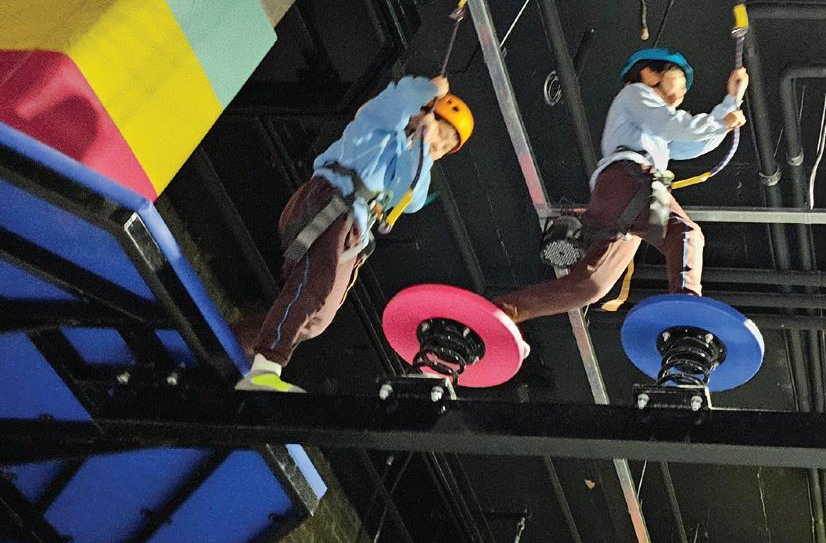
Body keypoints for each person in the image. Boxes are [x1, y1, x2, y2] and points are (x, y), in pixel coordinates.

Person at [238, 75, 472, 392]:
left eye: (446, 147)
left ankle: (237, 341)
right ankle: (266, 367)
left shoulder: (408, 157)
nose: (439, 147)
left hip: (351, 231)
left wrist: (422, 145)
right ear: (424, 113)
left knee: (319, 318)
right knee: (312, 287)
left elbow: (412, 196)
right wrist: (431, 90)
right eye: (442, 135)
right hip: (330, 202)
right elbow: (398, 97)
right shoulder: (380, 126)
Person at [493, 48, 746, 323]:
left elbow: (692, 143)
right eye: (679, 78)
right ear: (649, 74)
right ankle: (686, 309)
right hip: (632, 177)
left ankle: (505, 311)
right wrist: (721, 119)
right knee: (684, 233)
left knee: (591, 285)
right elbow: (674, 126)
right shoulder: (635, 94)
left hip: (620, 192)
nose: (684, 89)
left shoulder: (654, 126)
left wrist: (731, 102)